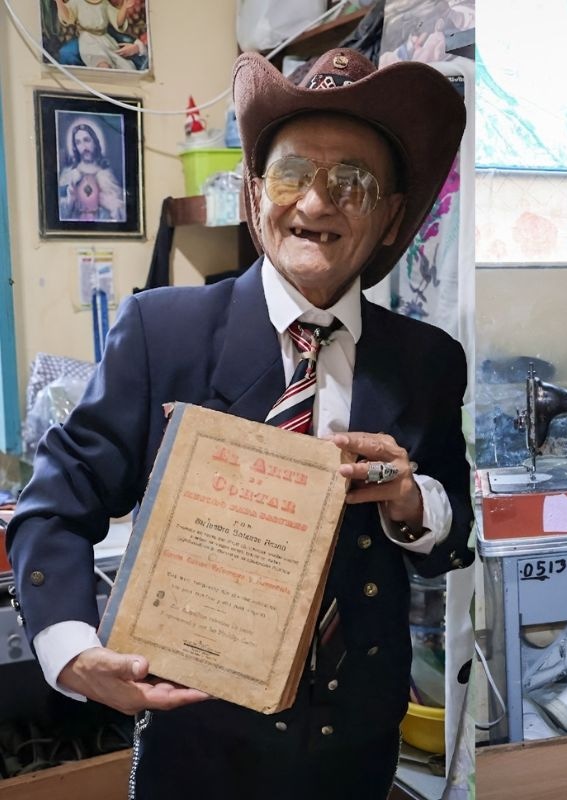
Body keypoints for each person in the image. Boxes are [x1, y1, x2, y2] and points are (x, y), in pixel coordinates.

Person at [7, 48, 471, 799]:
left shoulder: (428, 361)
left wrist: (412, 500)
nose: (316, 204)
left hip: (355, 753)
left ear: (390, 217)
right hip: (197, 751)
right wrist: (69, 648)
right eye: (292, 176)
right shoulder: (163, 332)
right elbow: (56, 503)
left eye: (352, 183)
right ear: (255, 194)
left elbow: (453, 530)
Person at [58, 120, 125, 222]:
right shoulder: (68, 174)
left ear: (95, 142)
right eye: (78, 142)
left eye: (87, 140)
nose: (84, 147)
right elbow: (57, 211)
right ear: (75, 147)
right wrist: (70, 200)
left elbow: (122, 209)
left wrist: (111, 204)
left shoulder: (106, 174)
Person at [53, 0, 139, 70]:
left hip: (105, 39)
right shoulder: (77, 1)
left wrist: (124, 7)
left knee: (125, 66)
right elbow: (67, 18)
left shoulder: (104, 3)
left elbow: (117, 22)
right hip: (87, 39)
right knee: (102, 64)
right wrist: (59, 2)